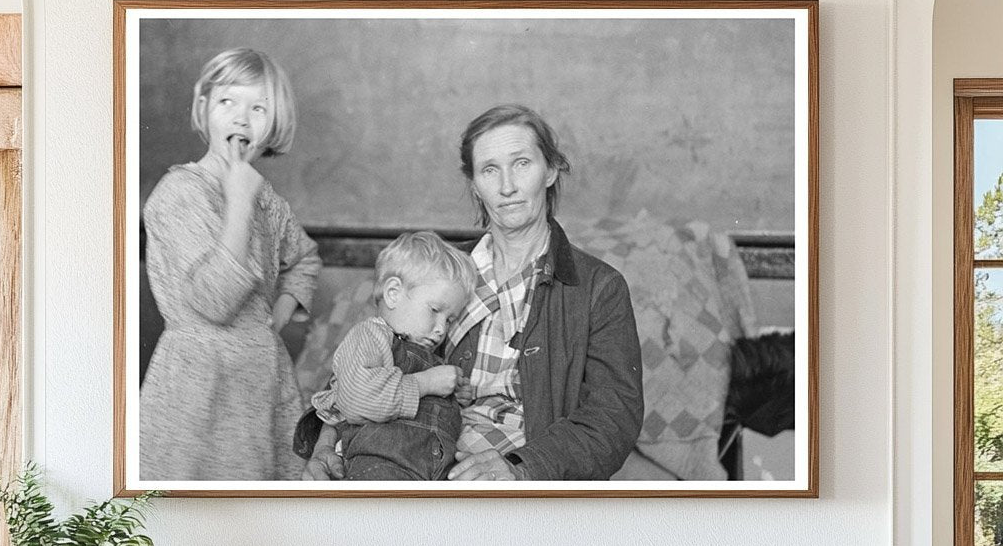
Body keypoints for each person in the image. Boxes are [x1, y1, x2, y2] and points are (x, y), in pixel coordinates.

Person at [140, 47, 321, 481]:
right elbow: (214, 301)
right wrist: (239, 201)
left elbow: (305, 258)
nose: (242, 118)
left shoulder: (268, 200)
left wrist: (274, 320)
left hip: (261, 382)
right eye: (228, 102)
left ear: (273, 124)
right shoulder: (179, 192)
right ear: (203, 110)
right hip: (198, 385)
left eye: (257, 108)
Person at [444, 104, 645, 481]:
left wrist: (522, 469)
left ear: (551, 170)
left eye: (521, 164)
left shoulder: (599, 288)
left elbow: (613, 418)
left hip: (525, 476)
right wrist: (327, 439)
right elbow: (371, 361)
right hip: (429, 458)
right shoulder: (441, 269)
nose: (507, 186)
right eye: (490, 169)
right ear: (473, 183)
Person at [302, 231, 477, 480]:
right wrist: (426, 383)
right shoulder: (370, 336)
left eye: (449, 320)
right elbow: (357, 400)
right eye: (435, 310)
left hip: (433, 471)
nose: (441, 329)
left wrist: (455, 395)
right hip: (381, 468)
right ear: (393, 293)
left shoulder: (426, 353)